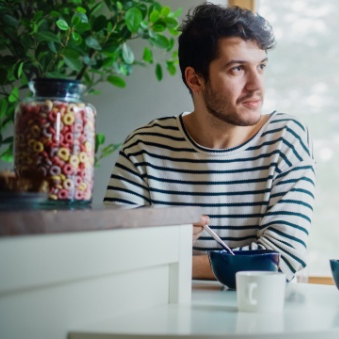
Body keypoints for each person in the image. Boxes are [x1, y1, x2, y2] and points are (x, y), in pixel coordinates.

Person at [104, 3, 315, 281]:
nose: (256, 85)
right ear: (195, 79)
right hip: (164, 318)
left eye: (261, 66)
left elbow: (283, 258)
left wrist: (166, 259)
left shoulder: (286, 139)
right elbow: (112, 255)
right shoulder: (143, 147)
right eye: (238, 69)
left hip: (260, 317)